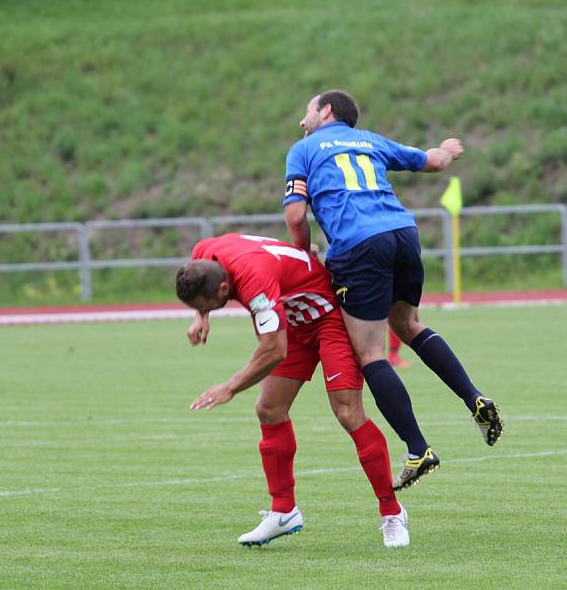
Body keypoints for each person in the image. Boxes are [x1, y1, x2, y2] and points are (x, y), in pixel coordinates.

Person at [283, 89, 503, 489]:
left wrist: (304, 254)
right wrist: (449, 150)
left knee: (370, 354)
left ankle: (418, 450)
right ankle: (474, 398)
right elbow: (434, 161)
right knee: (409, 325)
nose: (302, 122)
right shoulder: (370, 140)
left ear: (326, 111)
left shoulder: (304, 150)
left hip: (358, 247)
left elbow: (296, 215)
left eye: (307, 112)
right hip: (403, 234)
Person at [176, 232, 409, 548]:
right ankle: (283, 511)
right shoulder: (203, 254)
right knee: (269, 408)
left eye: (212, 305)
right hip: (295, 320)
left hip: (329, 318)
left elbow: (274, 349)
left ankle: (392, 513)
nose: (213, 309)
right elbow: (209, 287)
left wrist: (229, 387)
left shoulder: (253, 280)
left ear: (223, 288)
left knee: (348, 412)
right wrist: (201, 314)